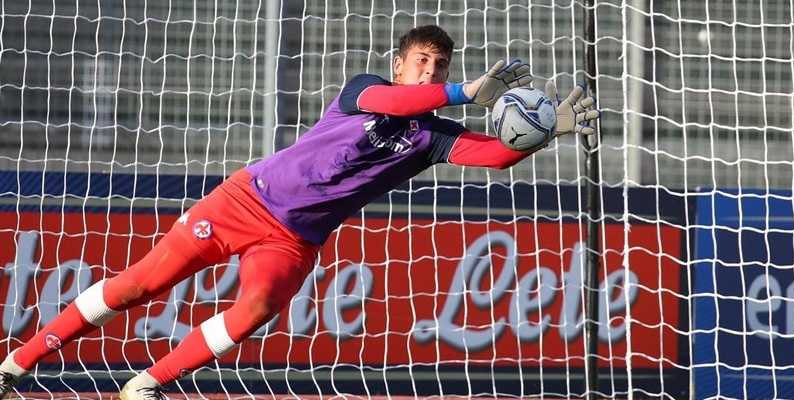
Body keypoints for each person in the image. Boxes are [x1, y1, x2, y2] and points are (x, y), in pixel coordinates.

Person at [0, 25, 599, 400]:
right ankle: (19, 362)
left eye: (440, 66)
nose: (430, 72)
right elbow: (394, 102)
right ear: (399, 64)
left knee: (258, 308)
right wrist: (462, 92)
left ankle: (148, 384)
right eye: (422, 61)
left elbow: (494, 156)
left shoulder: (432, 138)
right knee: (139, 286)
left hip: (293, 239)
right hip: (244, 201)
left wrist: (545, 132)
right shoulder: (364, 90)